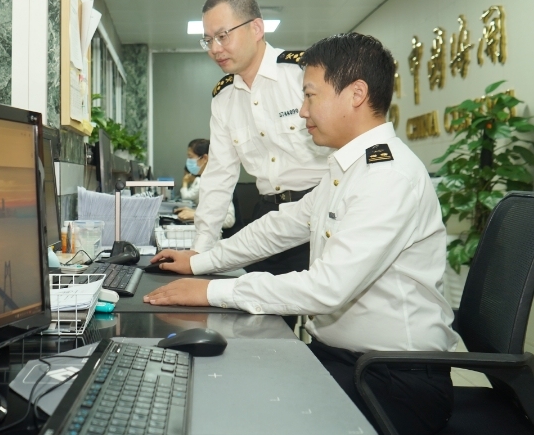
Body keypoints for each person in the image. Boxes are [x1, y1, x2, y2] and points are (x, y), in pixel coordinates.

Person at [144, 33, 459, 435]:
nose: (302, 111)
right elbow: (282, 226)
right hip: (346, 360)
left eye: (310, 96)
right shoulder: (348, 167)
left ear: (356, 94)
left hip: (393, 380)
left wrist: (209, 292)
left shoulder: (388, 176)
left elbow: (327, 288)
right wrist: (201, 262)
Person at [194, 0, 330, 277]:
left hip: (323, 213)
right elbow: (219, 176)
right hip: (269, 217)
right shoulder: (224, 99)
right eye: (207, 40)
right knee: (252, 315)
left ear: (256, 28)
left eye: (222, 35)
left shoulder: (302, 74)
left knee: (327, 317)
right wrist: (199, 251)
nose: (215, 48)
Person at [176, 139, 236, 230]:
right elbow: (212, 212)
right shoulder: (205, 179)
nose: (188, 161)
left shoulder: (217, 182)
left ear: (204, 158)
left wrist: (196, 215)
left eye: (190, 157)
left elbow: (229, 220)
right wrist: (194, 212)